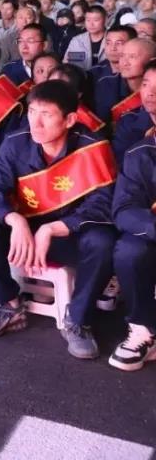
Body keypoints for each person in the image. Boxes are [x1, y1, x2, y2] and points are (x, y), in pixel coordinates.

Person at [0, 80, 116, 359]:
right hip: (23, 234)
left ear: (70, 119)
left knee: (103, 239)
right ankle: (7, 304)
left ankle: (78, 319)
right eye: (32, 111)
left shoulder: (92, 148)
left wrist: (52, 229)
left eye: (46, 114)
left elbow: (104, 205)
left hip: (66, 234)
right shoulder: (16, 142)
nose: (35, 122)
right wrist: (14, 220)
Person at [110, 111, 156, 371]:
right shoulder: (138, 154)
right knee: (129, 250)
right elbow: (123, 210)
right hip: (153, 235)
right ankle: (144, 329)